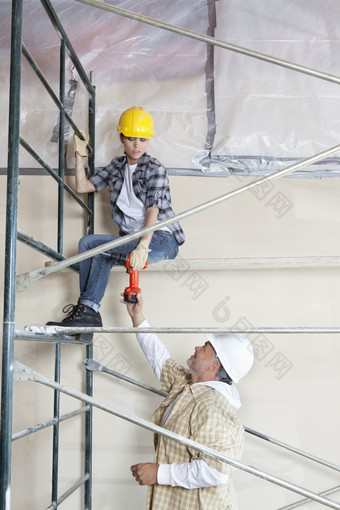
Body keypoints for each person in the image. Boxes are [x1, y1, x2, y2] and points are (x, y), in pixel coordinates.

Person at [47, 106, 185, 329]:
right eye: (131, 138)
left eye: (142, 139)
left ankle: (87, 310)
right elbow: (83, 186)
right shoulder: (116, 167)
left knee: (100, 251)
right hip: (132, 240)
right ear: (121, 137)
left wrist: (143, 245)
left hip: (160, 239)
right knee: (87, 243)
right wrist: (79, 154)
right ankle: (87, 314)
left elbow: (154, 208)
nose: (137, 145)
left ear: (148, 140)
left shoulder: (155, 168)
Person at [123, 293, 254, 510]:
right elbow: (159, 359)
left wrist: (158, 473)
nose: (196, 348)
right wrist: (138, 318)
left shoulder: (212, 406)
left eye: (203, 348)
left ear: (214, 366)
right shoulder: (188, 385)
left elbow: (216, 471)